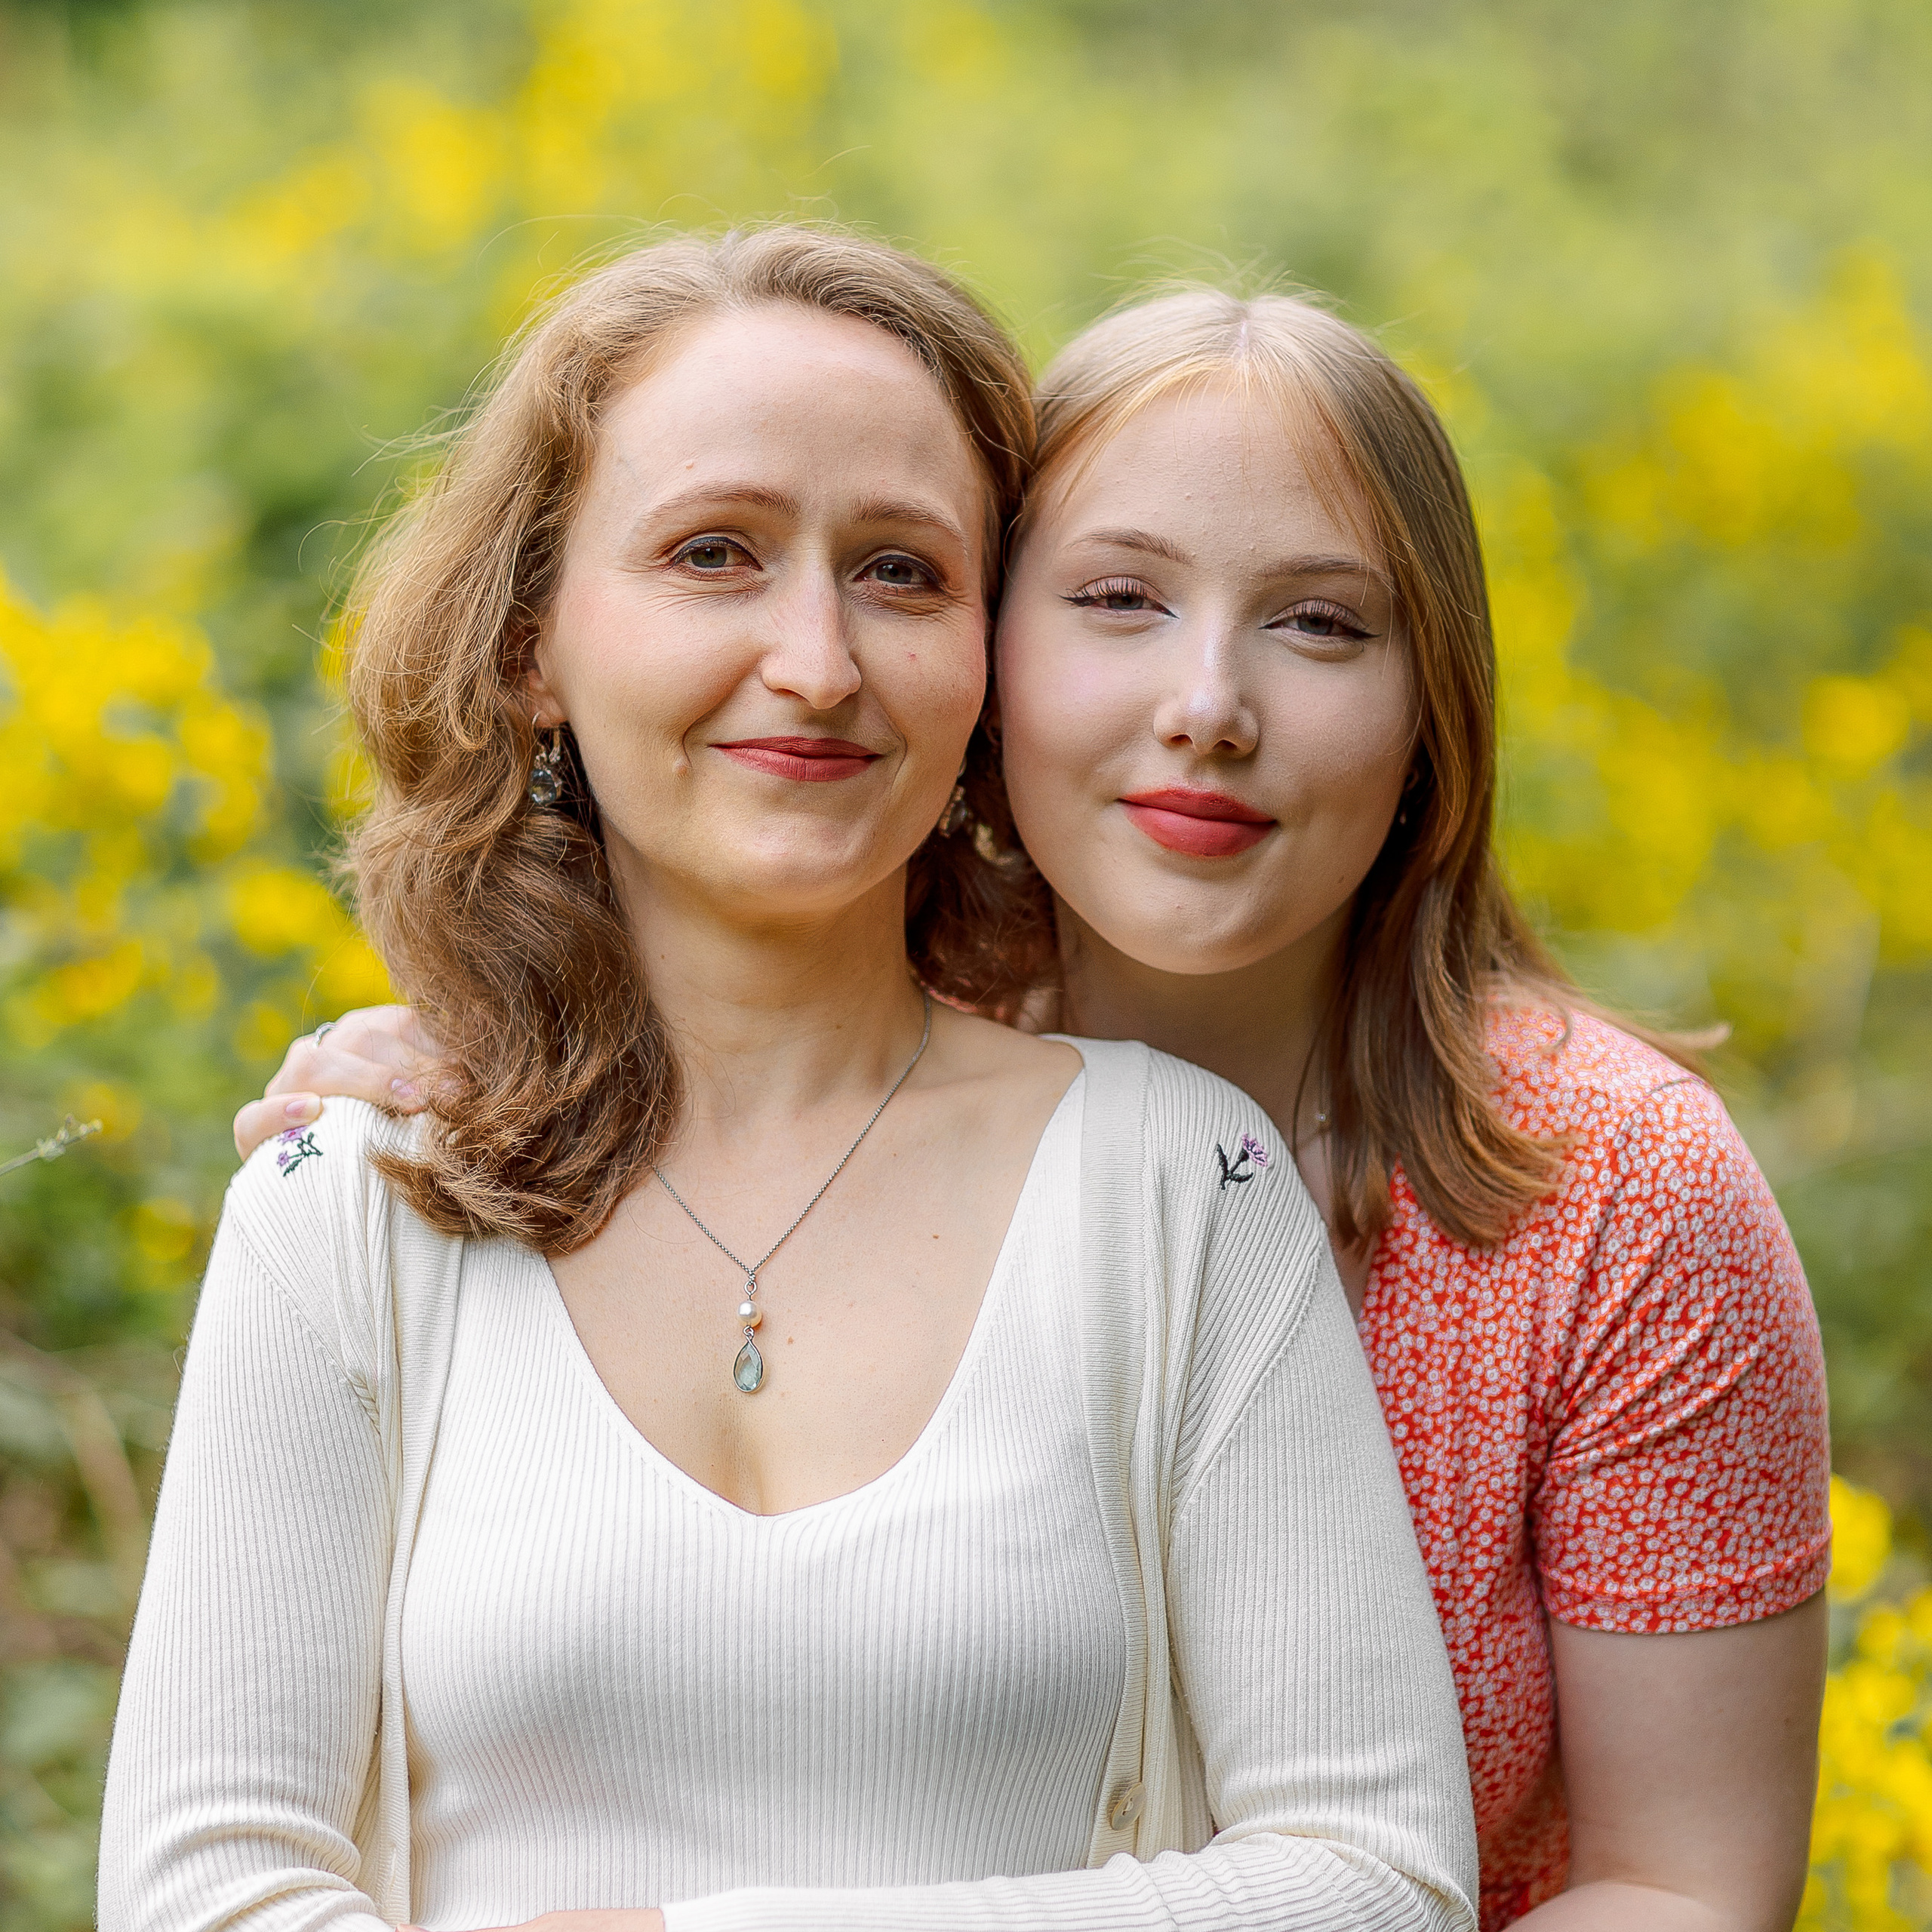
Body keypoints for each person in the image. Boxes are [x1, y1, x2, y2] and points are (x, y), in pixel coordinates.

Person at [251, 278, 1832, 1931]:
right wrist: (435, 1083)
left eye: (1319, 623)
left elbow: (1682, 1887)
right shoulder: (834, 1063)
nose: (1206, 705)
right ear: (984, 658)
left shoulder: (1614, 1189)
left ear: (1432, 707)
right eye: (1116, 599)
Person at [103, 229, 1478, 1932]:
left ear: (984, 660)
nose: (818, 660)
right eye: (712, 554)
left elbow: (1373, 1882)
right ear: (532, 638)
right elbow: (202, 1893)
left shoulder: (1182, 1182)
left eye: (901, 571)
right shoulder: (353, 1194)